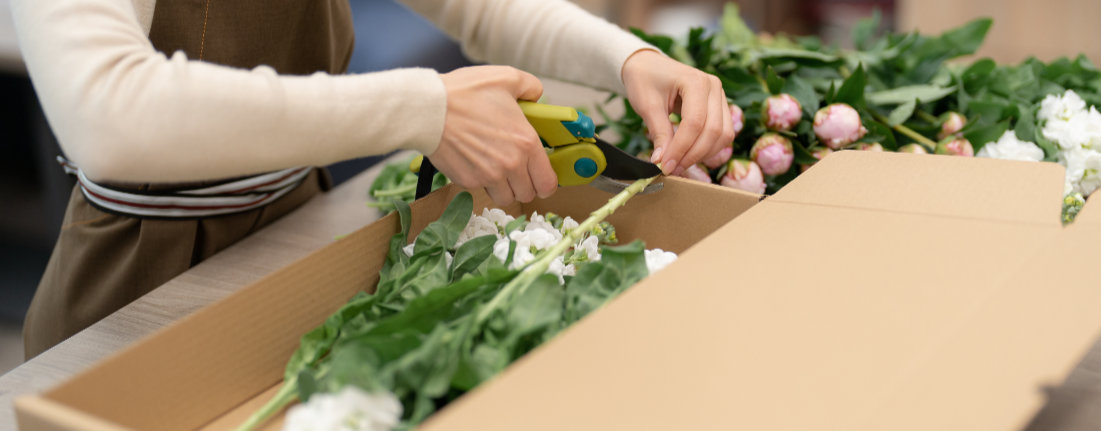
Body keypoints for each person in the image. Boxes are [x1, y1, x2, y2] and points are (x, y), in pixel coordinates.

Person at [13, 0, 735, 358]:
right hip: (140, 289)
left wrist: (630, 57)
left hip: (296, 242)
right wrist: (427, 108)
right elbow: (111, 114)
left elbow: (478, 7)